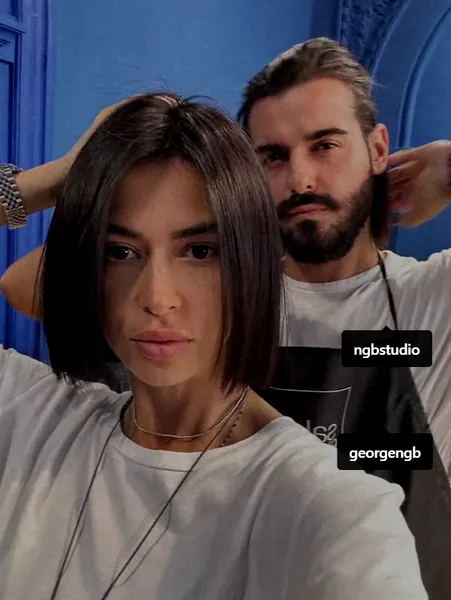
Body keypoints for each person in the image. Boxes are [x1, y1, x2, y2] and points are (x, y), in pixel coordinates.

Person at [0, 92, 428, 599]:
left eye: (200, 251)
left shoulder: (335, 512)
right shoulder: (30, 414)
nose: (157, 298)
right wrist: (65, 178)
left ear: (253, 262)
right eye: (121, 252)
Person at [236, 37, 451, 597]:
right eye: (273, 156)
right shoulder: (224, 299)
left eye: (325, 145)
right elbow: (28, 285)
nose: (301, 179)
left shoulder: (436, 296)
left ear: (378, 150)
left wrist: (450, 164)